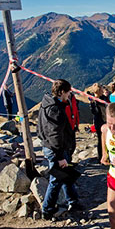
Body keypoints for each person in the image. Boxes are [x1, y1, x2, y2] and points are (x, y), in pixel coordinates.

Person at [38, 79, 82, 219]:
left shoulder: (47, 104)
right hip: (57, 149)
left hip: (53, 146)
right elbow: (55, 133)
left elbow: (42, 129)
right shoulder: (55, 109)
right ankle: (47, 209)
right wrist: (60, 156)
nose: (69, 95)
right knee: (56, 180)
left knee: (66, 175)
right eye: (68, 92)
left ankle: (73, 201)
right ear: (62, 91)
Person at [89, 83, 109, 161]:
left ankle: (106, 155)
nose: (102, 91)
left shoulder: (103, 98)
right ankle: (100, 156)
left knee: (107, 139)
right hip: (99, 121)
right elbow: (95, 112)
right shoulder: (93, 100)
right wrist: (93, 103)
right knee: (101, 140)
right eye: (101, 90)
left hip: (105, 120)